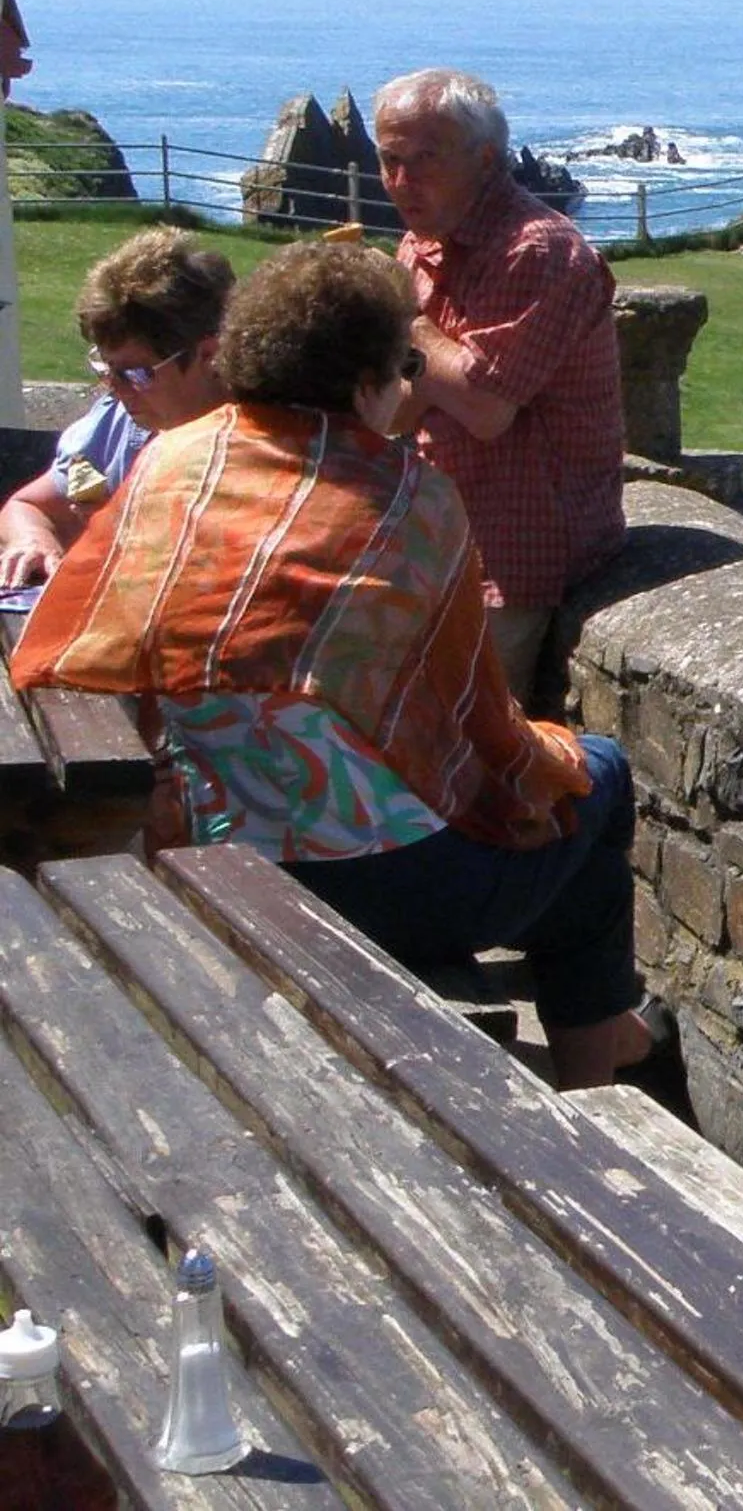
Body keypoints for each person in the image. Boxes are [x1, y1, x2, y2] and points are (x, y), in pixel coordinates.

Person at [10, 242, 653, 1089]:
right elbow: (472, 720)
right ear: (365, 381)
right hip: (370, 885)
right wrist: (554, 766)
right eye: (406, 365)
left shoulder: (176, 461)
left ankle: (614, 1044)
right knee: (592, 786)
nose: (411, 384)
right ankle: (600, 1086)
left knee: (574, 872)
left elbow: (81, 637)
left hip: (201, 843)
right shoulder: (407, 495)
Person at [373, 68, 625, 700]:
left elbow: (484, 409)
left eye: (424, 160)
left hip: (517, 552)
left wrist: (412, 324)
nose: (402, 183)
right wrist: (436, 370)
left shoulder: (534, 251)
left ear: (485, 159)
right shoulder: (422, 244)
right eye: (388, 161)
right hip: (444, 539)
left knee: (473, 752)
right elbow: (401, 410)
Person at [0, 230, 232, 586]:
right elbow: (27, 506)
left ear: (209, 355)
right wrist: (34, 540)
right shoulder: (122, 422)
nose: (115, 388)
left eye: (136, 373)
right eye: (105, 368)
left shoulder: (266, 440)